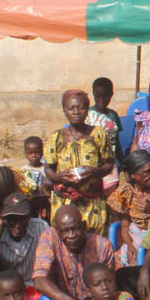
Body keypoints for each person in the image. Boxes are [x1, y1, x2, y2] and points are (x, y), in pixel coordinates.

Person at [44, 89, 114, 233]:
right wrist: (58, 177)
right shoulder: (56, 138)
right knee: (66, 240)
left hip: (92, 202)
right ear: (64, 111)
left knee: (93, 242)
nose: (76, 112)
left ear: (87, 110)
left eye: (81, 107)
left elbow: (109, 163)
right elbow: (48, 168)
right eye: (71, 108)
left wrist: (96, 172)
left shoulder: (98, 134)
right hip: (64, 201)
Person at [32, 204, 115, 300]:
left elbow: (109, 287)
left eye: (75, 229)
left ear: (84, 226)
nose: (71, 235)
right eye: (65, 231)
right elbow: (39, 281)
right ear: (57, 230)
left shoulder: (102, 246)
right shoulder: (50, 236)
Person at [106, 149, 150, 270]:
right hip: (134, 238)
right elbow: (124, 227)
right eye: (147, 172)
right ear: (134, 175)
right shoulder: (126, 193)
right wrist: (129, 246)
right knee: (123, 260)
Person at [0, 192, 48, 290]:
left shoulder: (41, 228)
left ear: (29, 217)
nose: (17, 224)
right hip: (9, 291)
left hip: (35, 287)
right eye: (13, 219)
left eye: (22, 219)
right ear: (5, 218)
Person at [90, 77, 123, 153]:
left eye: (105, 96)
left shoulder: (113, 115)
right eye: (98, 96)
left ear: (111, 94)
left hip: (109, 158)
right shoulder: (87, 115)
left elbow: (116, 141)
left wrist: (122, 162)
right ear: (93, 94)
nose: (102, 100)